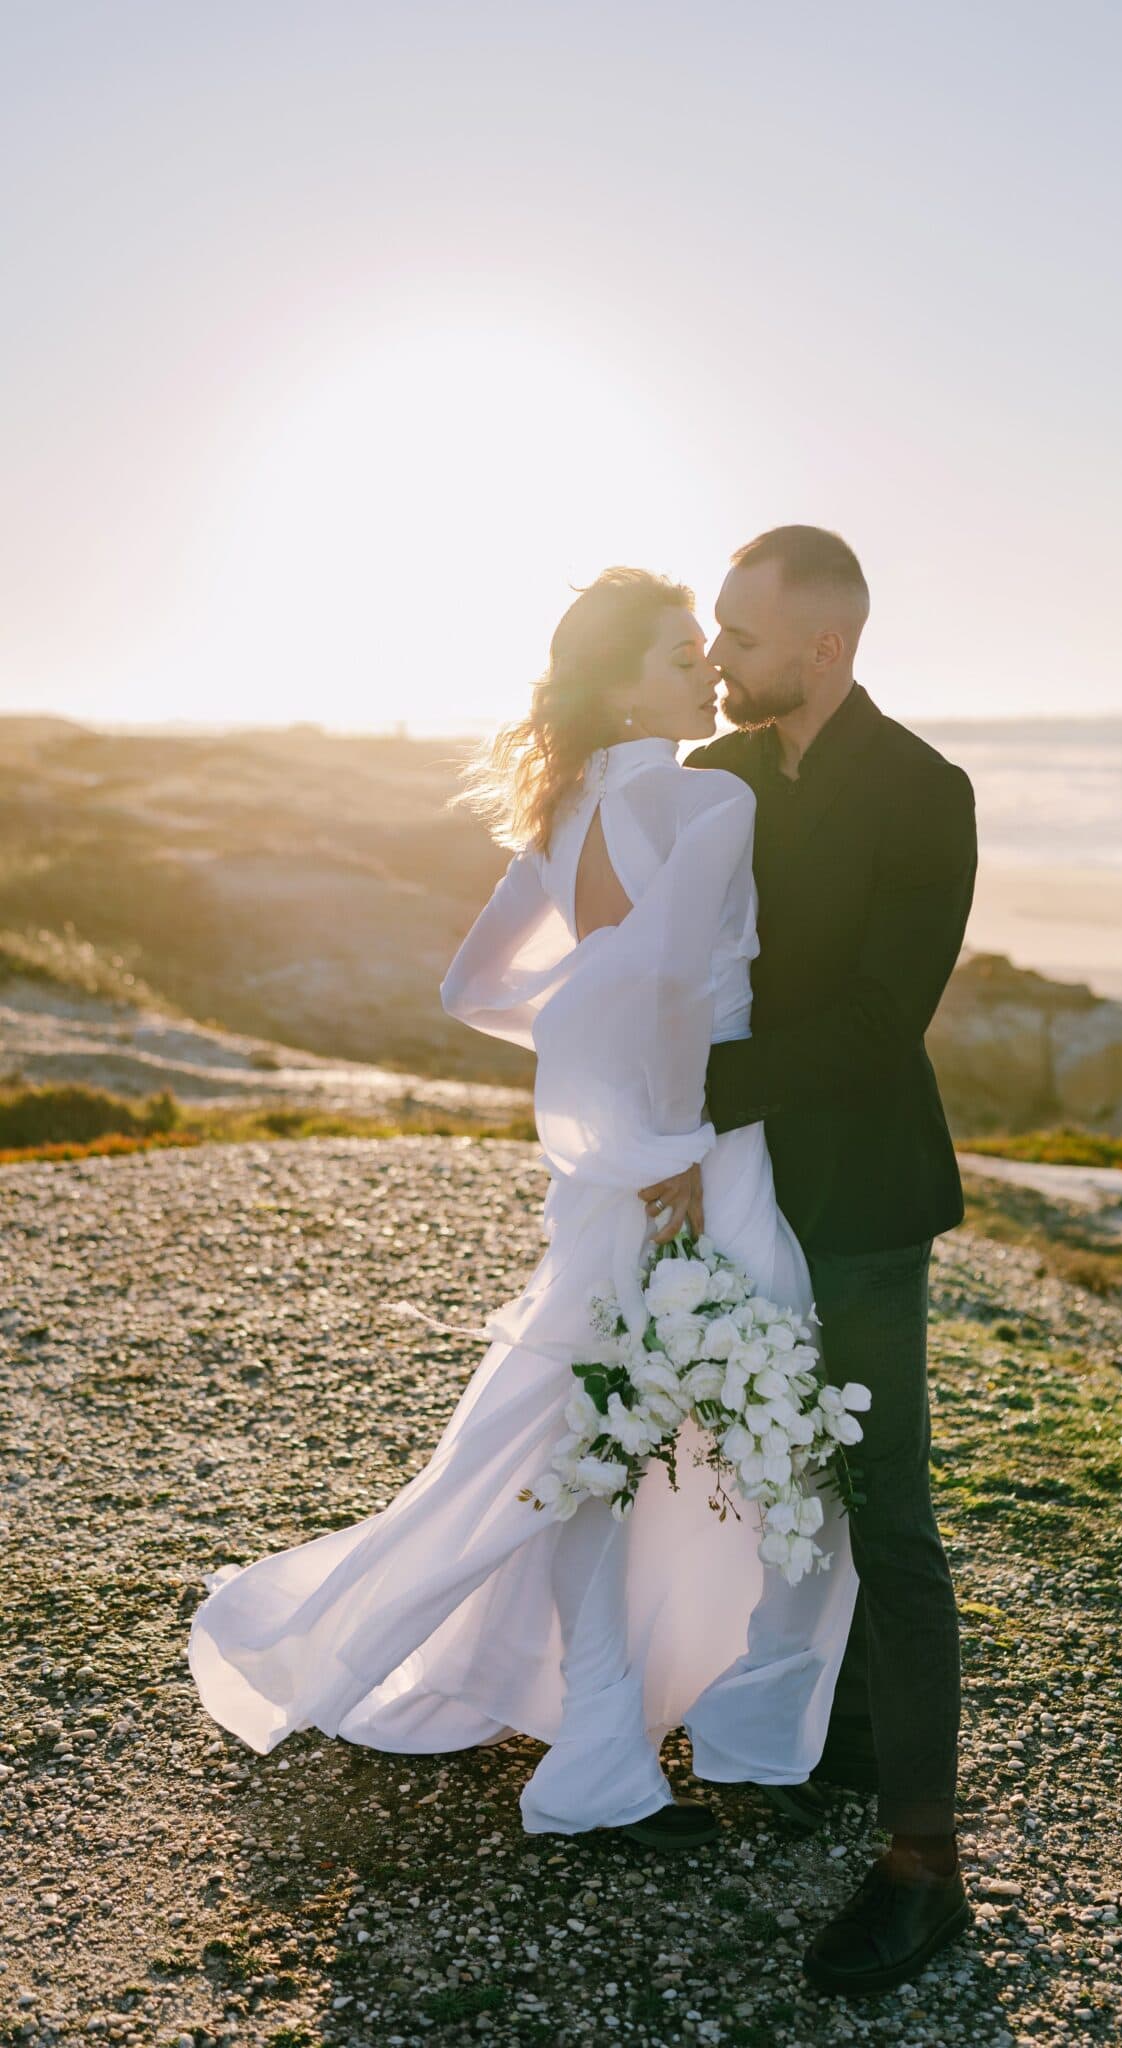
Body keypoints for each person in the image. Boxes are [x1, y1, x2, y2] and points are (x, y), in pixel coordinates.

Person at [187, 567, 856, 1852]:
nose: (705, 668)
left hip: (613, 1168)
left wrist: (587, 1079)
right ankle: (746, 1737)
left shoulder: (560, 814)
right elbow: (667, 987)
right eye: (677, 654)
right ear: (616, 682)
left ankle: (606, 1748)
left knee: (593, 1451)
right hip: (698, 1159)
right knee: (778, 1432)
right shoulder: (704, 795)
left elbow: (474, 983)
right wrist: (657, 1128)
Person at [651, 525, 977, 1995]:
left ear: (824, 646)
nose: (716, 653)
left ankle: (923, 1868)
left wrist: (693, 1096)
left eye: (739, 632)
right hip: (732, 1191)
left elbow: (872, 1025)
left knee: (888, 1511)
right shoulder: (707, 783)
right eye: (713, 629)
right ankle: (825, 1739)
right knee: (756, 1467)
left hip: (856, 1198)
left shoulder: (925, 795)